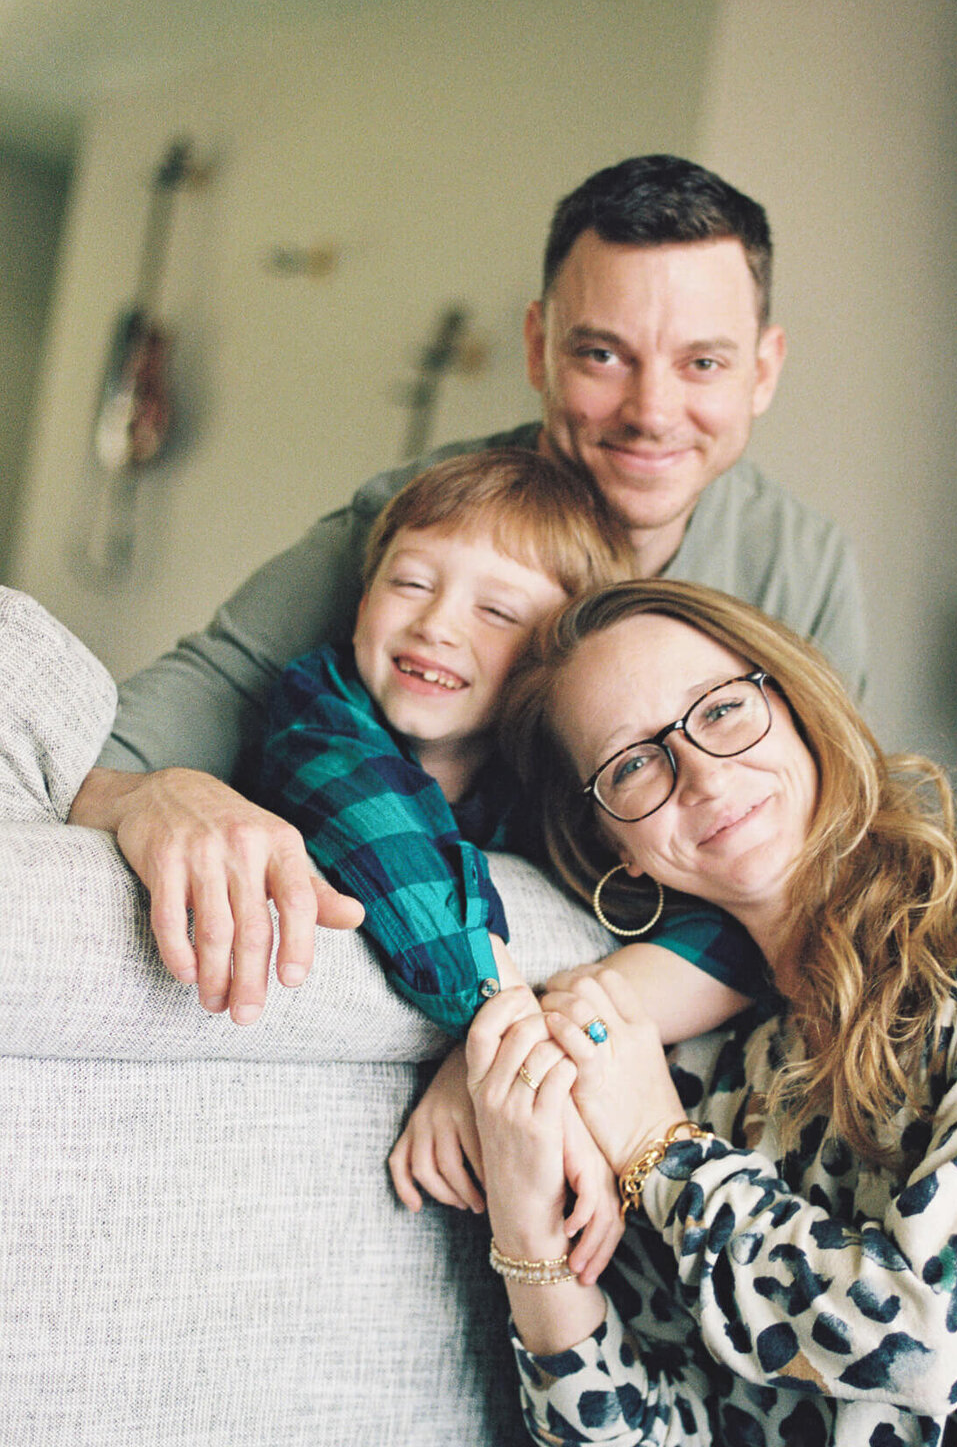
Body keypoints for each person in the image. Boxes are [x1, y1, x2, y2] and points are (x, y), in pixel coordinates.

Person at [22, 580, 957, 1447]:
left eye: (724, 711)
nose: (698, 772)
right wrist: (534, 1244)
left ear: (794, 703)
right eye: (633, 763)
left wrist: (658, 1148)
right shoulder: (704, 1064)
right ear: (614, 846)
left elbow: (930, 1333)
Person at [66, 154, 867, 1028]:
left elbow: (832, 860)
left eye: (704, 363)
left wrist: (575, 1023)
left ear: (763, 369)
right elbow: (116, 745)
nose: (651, 410)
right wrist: (157, 795)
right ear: (537, 349)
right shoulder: (413, 525)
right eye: (602, 354)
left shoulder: (803, 569)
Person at [259, 448, 754, 1273]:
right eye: (410, 583)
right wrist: (516, 1045)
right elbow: (401, 866)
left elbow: (733, 936)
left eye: (496, 612)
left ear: (550, 669)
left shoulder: (560, 791)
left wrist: (524, 1047)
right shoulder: (317, 710)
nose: (437, 625)